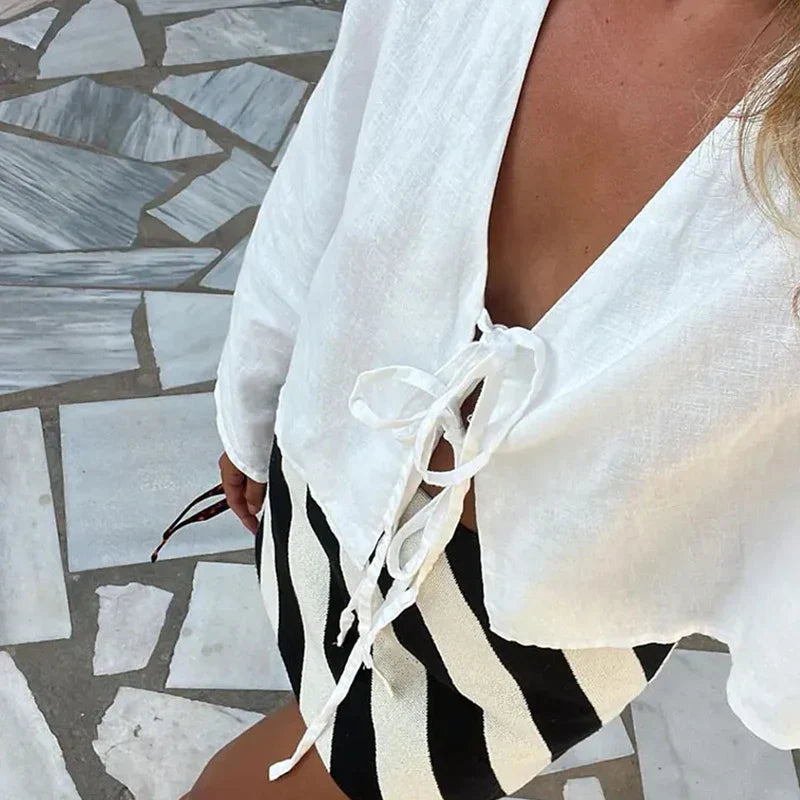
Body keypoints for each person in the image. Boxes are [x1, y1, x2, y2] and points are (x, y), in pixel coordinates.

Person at [184, 0, 800, 797]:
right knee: (314, 723)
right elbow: (340, 142)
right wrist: (253, 395)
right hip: (337, 469)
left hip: (548, 622)